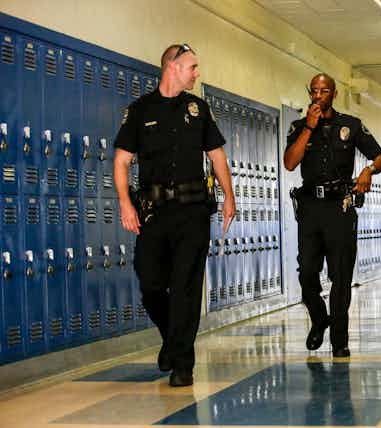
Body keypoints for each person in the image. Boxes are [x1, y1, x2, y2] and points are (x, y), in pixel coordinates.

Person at [113, 43, 235, 387]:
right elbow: (122, 162)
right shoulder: (140, 111)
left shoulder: (199, 109)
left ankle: (183, 363)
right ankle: (172, 339)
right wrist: (124, 202)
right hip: (153, 212)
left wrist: (229, 196)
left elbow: (217, 156)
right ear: (172, 67)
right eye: (192, 67)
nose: (197, 73)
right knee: (150, 283)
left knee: (185, 286)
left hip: (193, 211)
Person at [284, 73, 381, 358]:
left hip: (340, 207)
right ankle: (319, 319)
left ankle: (339, 341)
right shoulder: (298, 127)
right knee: (306, 272)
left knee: (341, 276)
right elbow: (290, 163)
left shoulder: (350, 126)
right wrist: (309, 127)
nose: (318, 96)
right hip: (310, 208)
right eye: (314, 91)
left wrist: (367, 170)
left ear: (334, 94)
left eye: (324, 91)